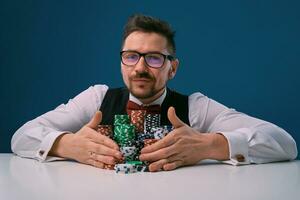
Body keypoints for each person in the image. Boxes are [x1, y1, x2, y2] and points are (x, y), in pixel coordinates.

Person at [11, 14, 297, 172]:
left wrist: (211, 145)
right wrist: (66, 144)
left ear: (172, 68)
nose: (141, 67)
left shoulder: (196, 107)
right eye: (131, 56)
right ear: (122, 62)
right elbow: (22, 136)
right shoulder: (97, 98)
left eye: (155, 58)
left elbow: (285, 144)